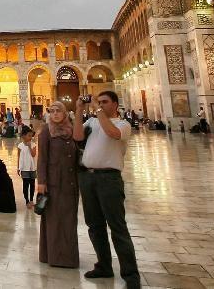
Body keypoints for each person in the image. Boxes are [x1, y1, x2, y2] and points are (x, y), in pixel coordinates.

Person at [80, 91, 139, 288]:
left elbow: (112, 133)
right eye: (99, 102)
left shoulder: (123, 125)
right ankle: (104, 265)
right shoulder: (91, 123)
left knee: (117, 227)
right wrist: (80, 109)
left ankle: (131, 275)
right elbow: (77, 136)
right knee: (95, 226)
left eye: (105, 102)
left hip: (109, 179)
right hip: (89, 178)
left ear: (115, 104)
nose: (101, 105)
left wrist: (98, 111)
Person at [36, 102, 82, 267]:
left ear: (64, 113)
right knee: (54, 220)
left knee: (69, 220)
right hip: (54, 182)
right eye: (52, 111)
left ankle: (68, 257)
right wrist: (41, 182)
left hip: (70, 183)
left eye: (58, 111)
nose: (55, 114)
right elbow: (42, 158)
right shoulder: (46, 131)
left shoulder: (71, 130)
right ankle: (54, 256)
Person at [17, 125, 38, 208]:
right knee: (25, 185)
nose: (30, 137)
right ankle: (27, 201)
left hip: (32, 168)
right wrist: (18, 167)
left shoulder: (33, 145)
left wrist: (29, 146)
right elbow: (18, 157)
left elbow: (33, 154)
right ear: (23, 136)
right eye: (29, 135)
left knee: (32, 184)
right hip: (24, 169)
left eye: (31, 136)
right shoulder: (20, 146)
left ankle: (32, 200)